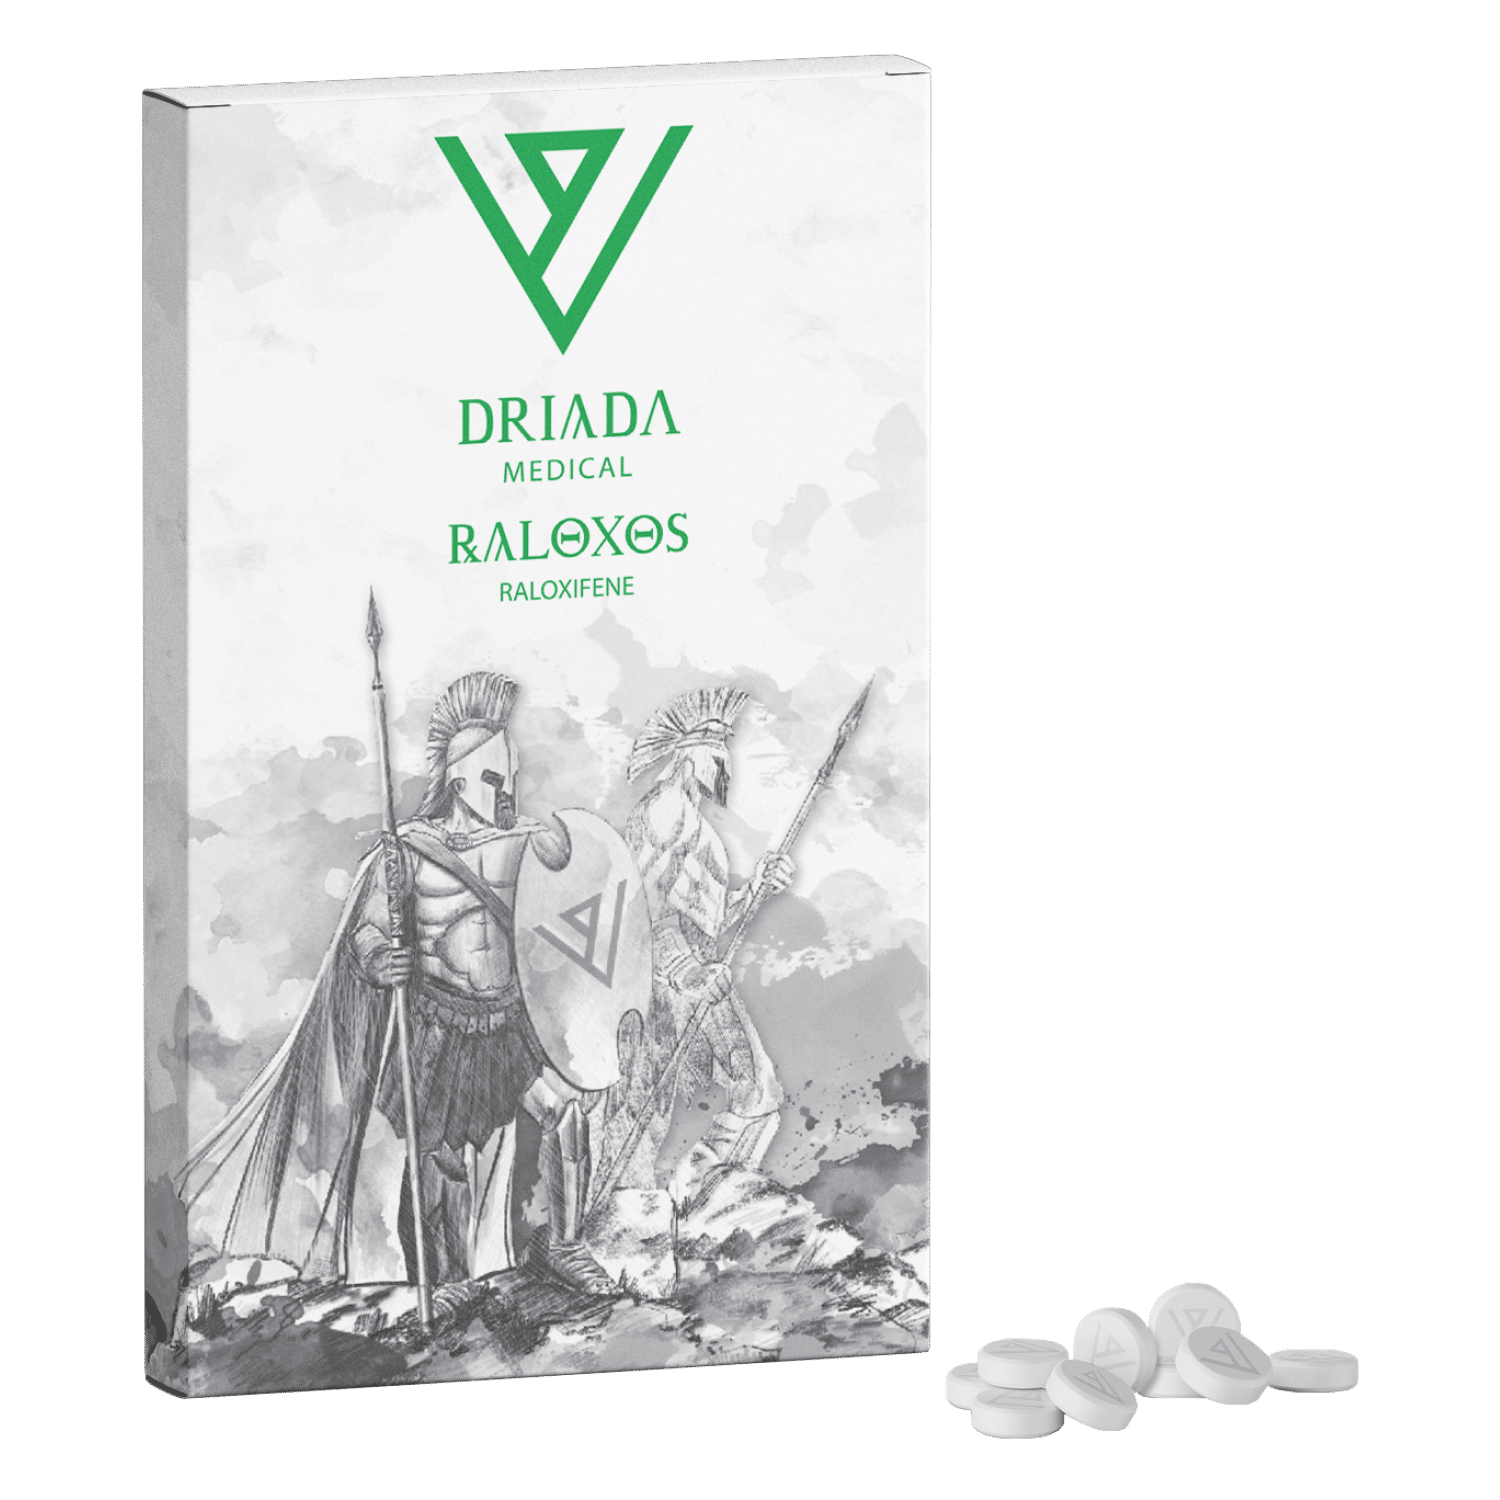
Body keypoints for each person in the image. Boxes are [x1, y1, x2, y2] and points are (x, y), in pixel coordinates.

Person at [178, 671, 613, 1303]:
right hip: (440, 1027)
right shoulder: (407, 852)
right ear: (458, 780)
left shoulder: (524, 845)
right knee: (442, 1160)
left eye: (510, 778)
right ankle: (448, 1283)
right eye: (493, 779)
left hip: (508, 1024)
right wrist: (383, 959)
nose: (506, 792)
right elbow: (365, 931)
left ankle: (561, 1245)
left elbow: (582, 895)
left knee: (565, 1115)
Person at [601, 687, 794, 1198]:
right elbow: (645, 906)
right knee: (736, 1093)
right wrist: (683, 972)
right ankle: (694, 1195)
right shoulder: (666, 809)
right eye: (716, 757)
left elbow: (706, 919)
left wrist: (757, 888)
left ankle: (701, 1191)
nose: (724, 770)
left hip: (693, 974)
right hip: (667, 983)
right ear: (690, 757)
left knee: (755, 1092)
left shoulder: (689, 817)